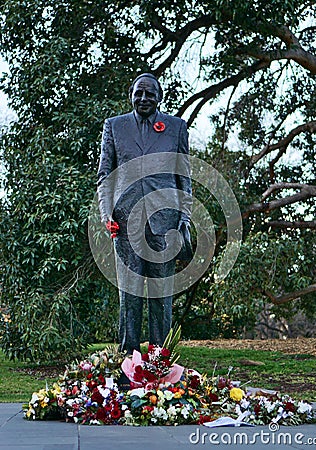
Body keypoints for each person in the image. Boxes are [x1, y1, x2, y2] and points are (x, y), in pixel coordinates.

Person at [97, 73, 192, 355]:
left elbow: (183, 177)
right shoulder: (114, 127)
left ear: (159, 98)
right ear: (131, 95)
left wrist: (184, 218)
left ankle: (160, 360)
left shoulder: (176, 127)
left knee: (161, 296)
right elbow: (105, 175)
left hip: (165, 222)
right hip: (125, 223)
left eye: (150, 94)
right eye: (139, 93)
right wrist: (106, 213)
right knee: (130, 293)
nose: (144, 98)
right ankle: (128, 359)